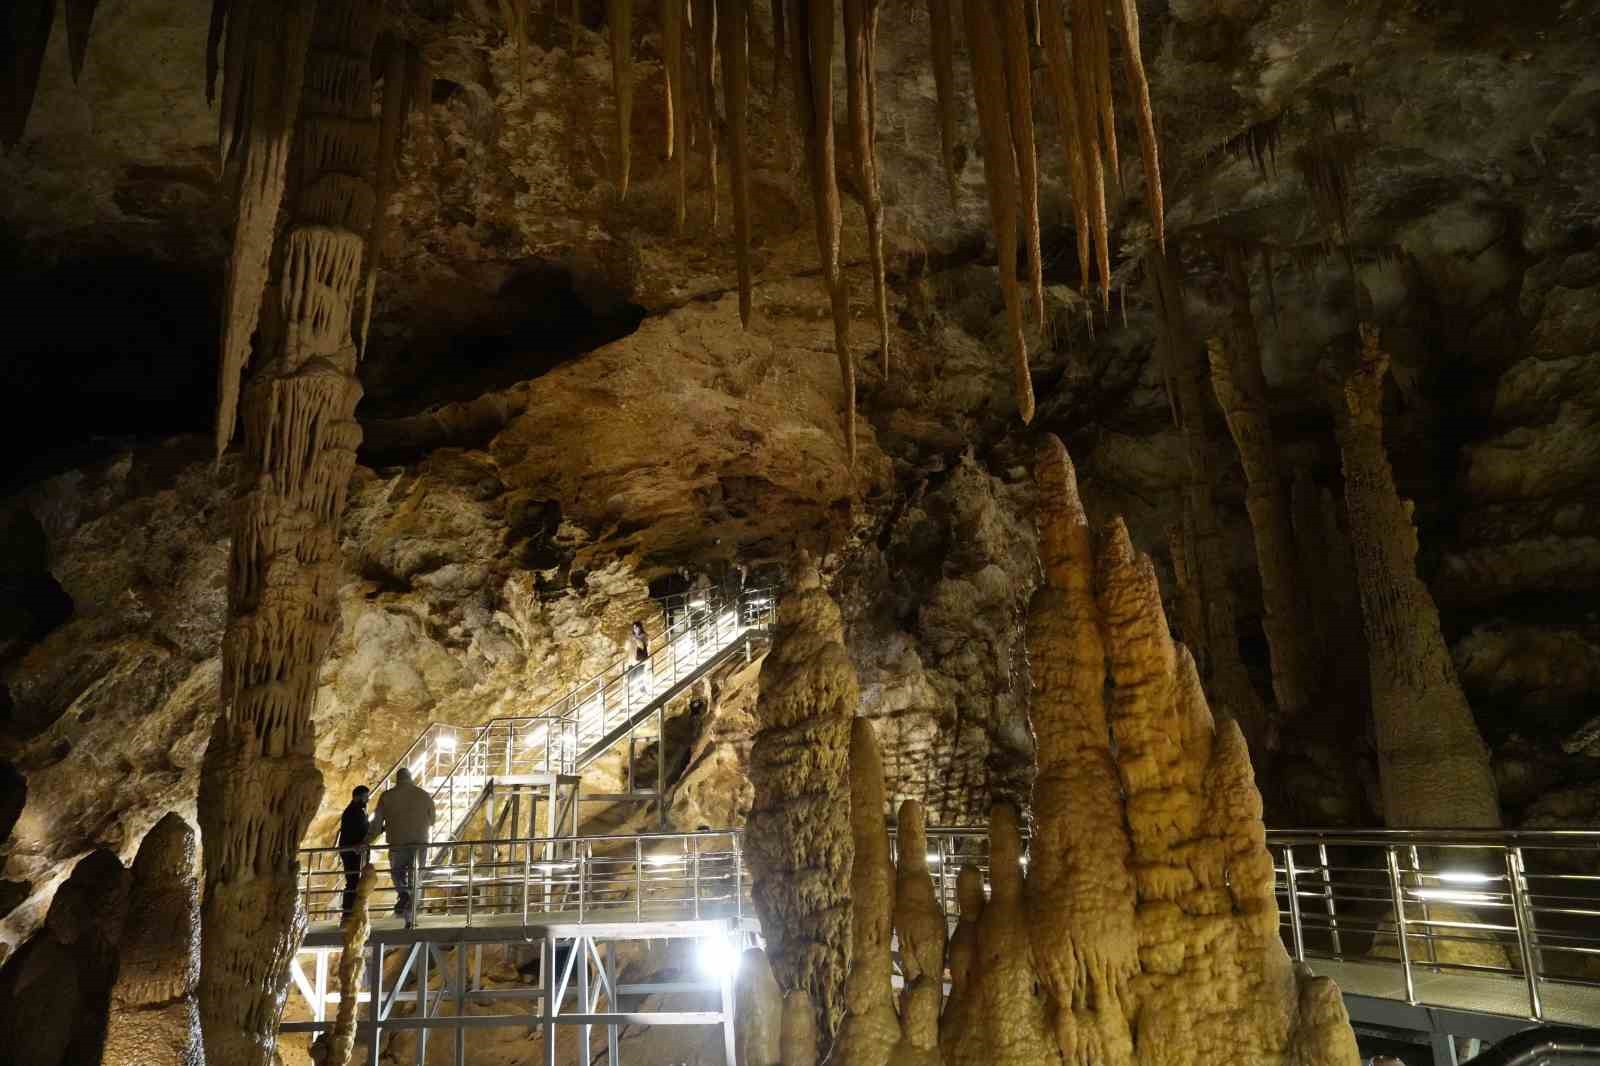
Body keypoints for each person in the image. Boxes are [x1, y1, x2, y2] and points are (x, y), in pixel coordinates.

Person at [367, 767, 436, 927]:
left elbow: (377, 824)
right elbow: (432, 820)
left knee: (398, 874)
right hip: (419, 843)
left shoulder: (387, 796)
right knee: (415, 878)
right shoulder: (423, 795)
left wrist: (367, 841)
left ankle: (403, 893)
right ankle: (410, 918)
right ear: (410, 778)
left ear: (397, 779)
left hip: (397, 843)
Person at [336, 785, 370, 920]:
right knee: (352, 881)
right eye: (365, 797)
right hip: (351, 851)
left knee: (354, 881)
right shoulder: (353, 811)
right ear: (357, 796)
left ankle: (350, 911)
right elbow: (358, 830)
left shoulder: (355, 810)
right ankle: (348, 912)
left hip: (352, 850)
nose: (367, 800)